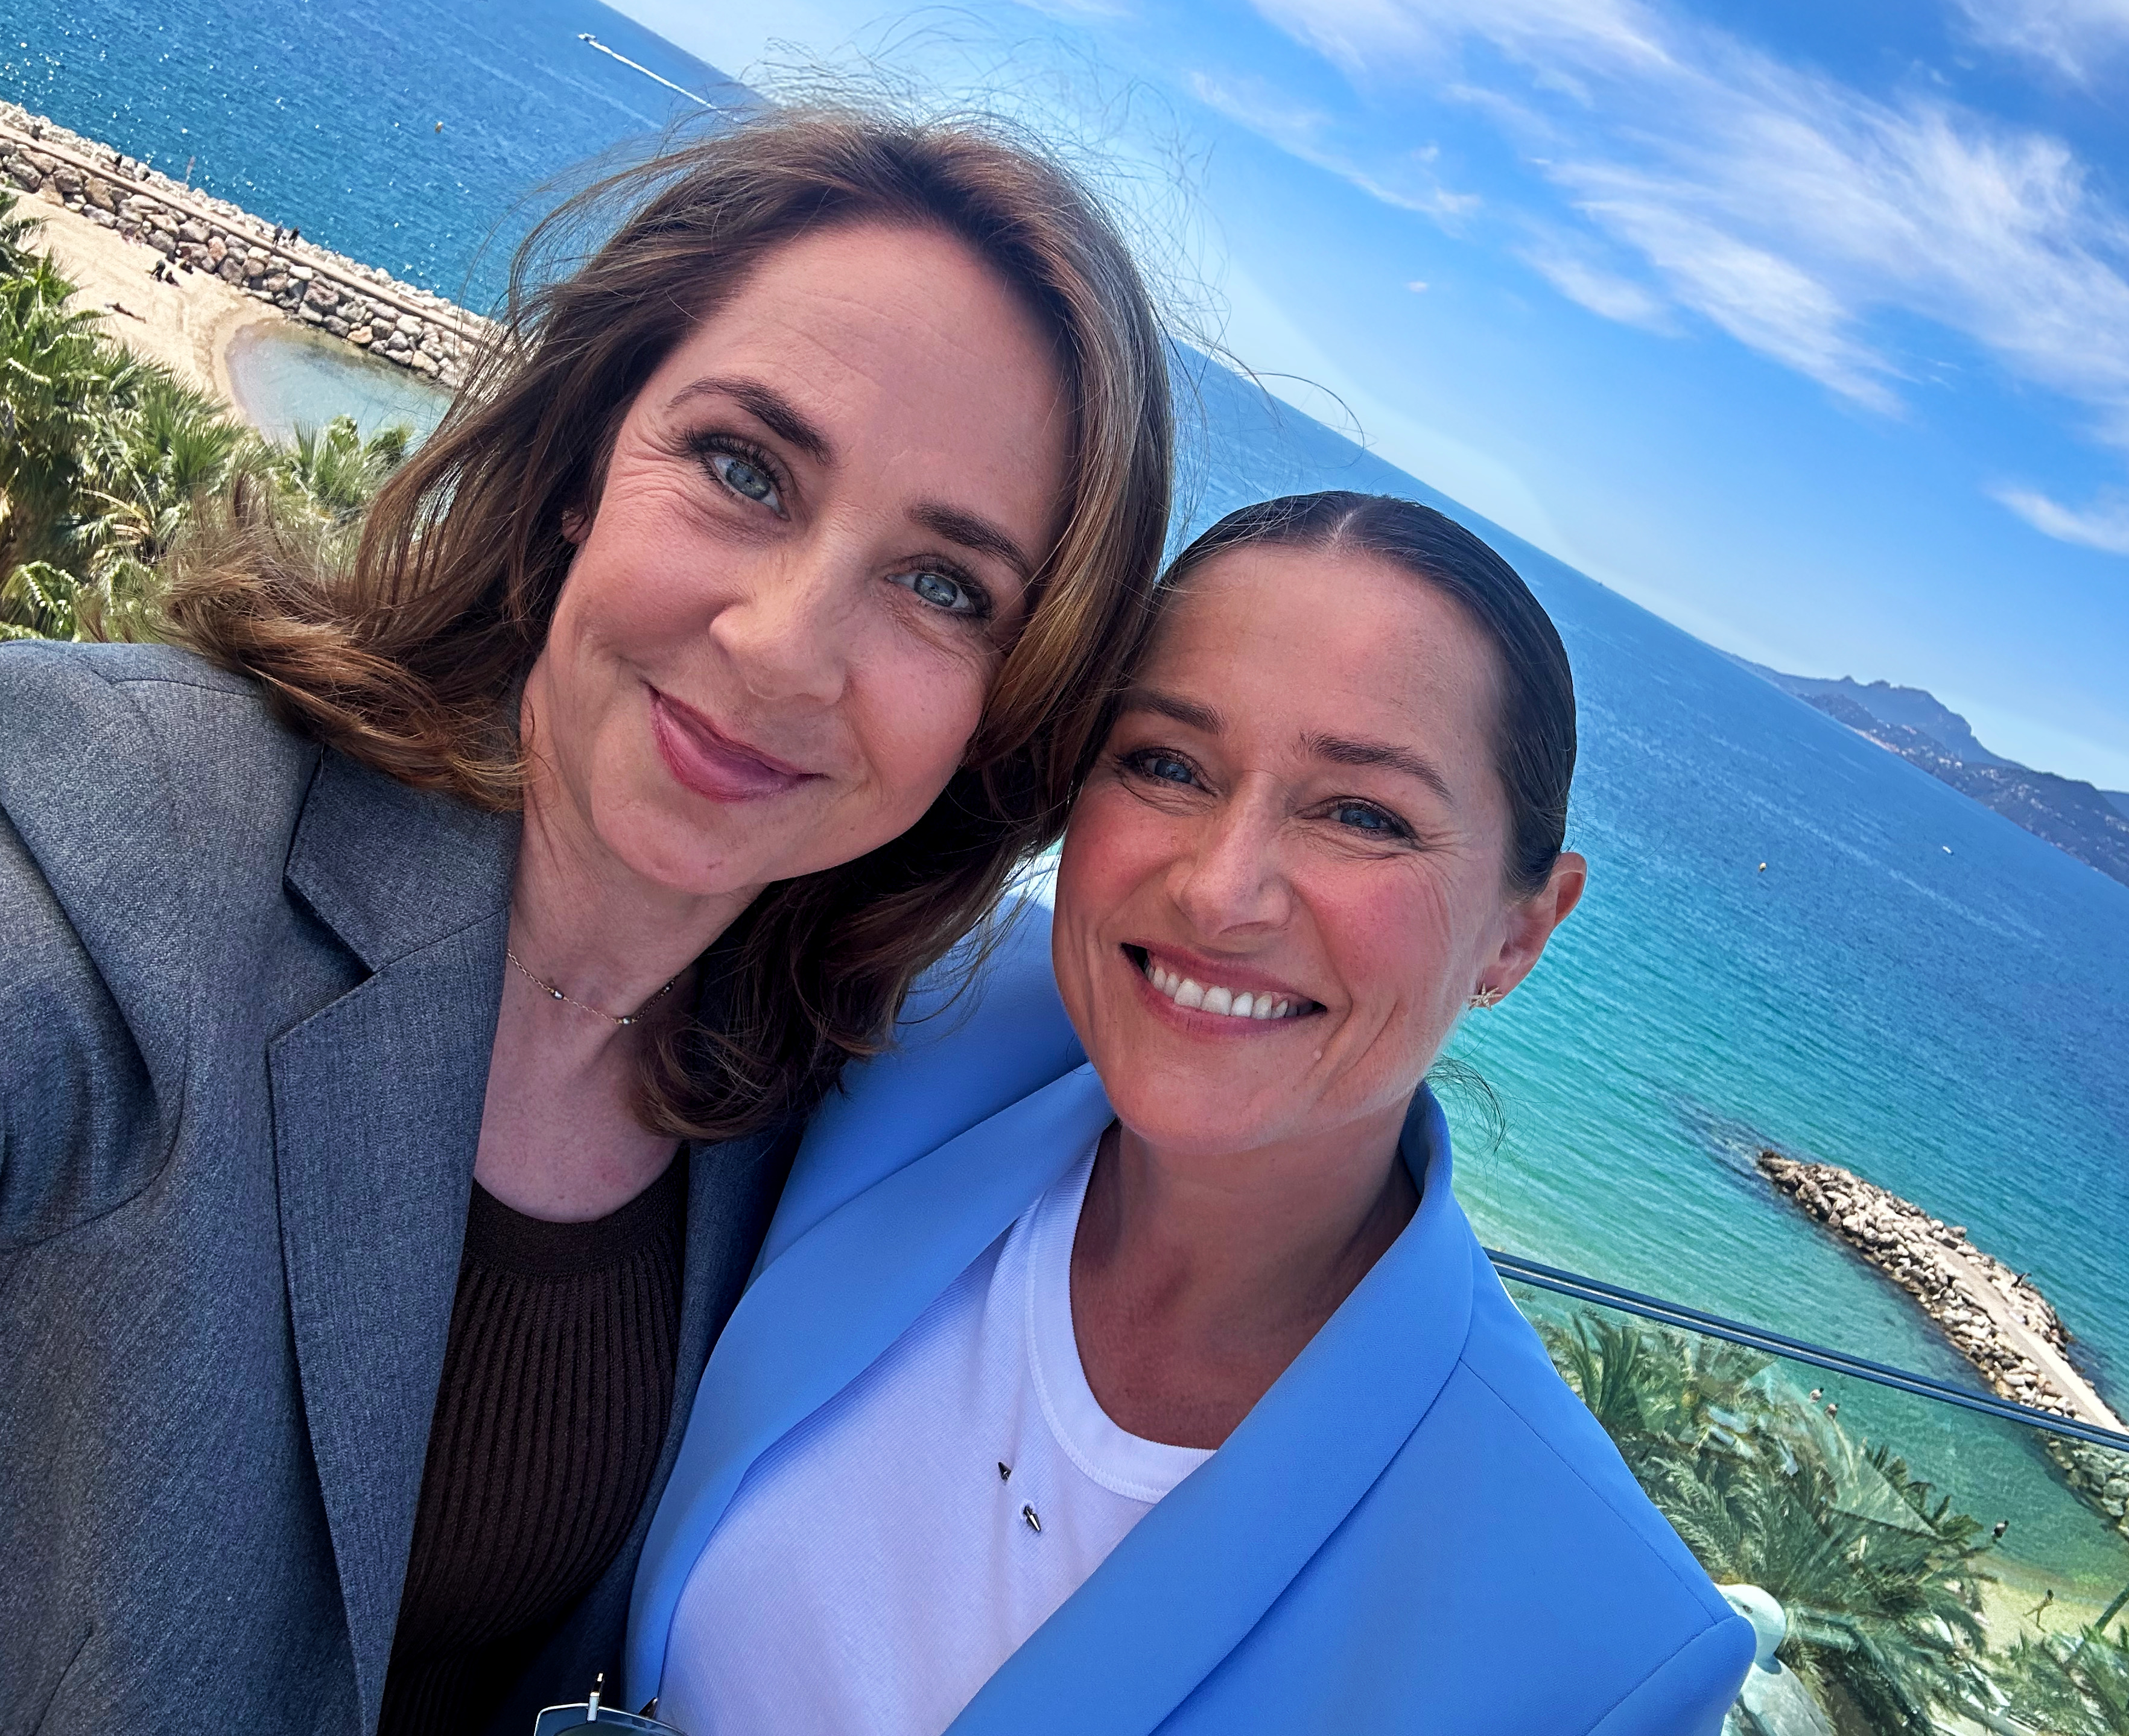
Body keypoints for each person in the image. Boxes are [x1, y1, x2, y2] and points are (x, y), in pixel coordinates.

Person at [0, 103, 1172, 1736]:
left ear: (1003, 710)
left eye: (944, 585)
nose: (784, 647)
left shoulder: (810, 1091)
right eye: (745, 469)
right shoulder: (120, 867)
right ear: (591, 460)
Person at [629, 492, 1755, 1734]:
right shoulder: (905, 1010)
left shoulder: (1601, 1650)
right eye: (1167, 764)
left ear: (1521, 932)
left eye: (1363, 815)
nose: (1221, 891)